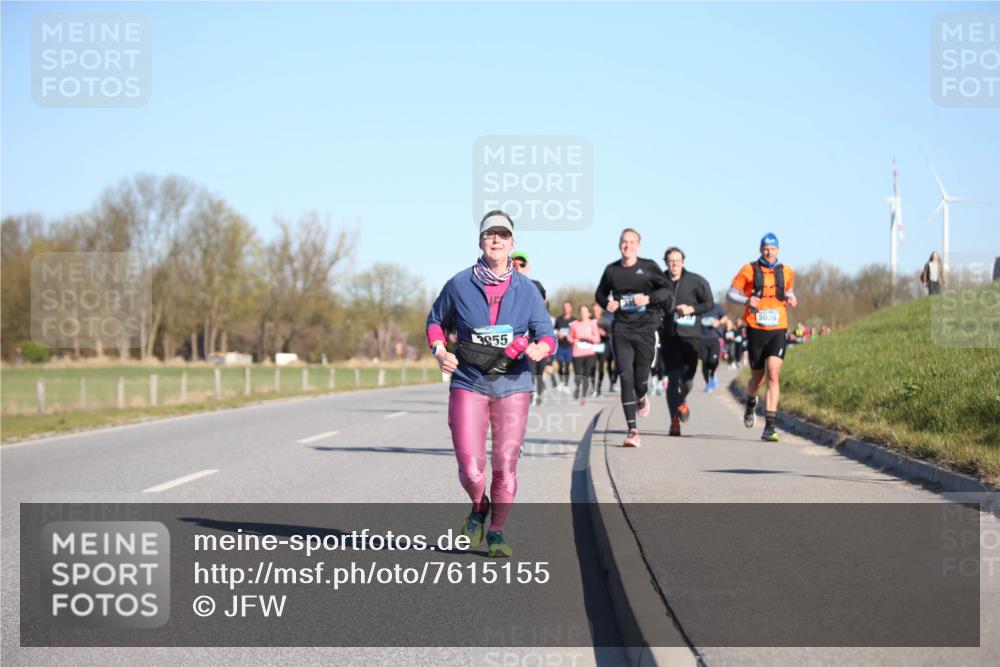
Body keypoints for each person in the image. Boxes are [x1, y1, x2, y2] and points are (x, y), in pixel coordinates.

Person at [426, 210, 556, 558]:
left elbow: (547, 334)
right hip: (469, 381)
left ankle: (496, 531)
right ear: (480, 241)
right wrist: (439, 351)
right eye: (489, 234)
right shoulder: (458, 284)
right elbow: (436, 321)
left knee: (505, 464)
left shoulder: (527, 290)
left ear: (512, 243)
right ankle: (479, 506)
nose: (496, 240)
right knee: (470, 467)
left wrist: (541, 347)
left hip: (513, 384)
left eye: (502, 234)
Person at [595, 228, 671, 447]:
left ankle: (641, 397)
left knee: (640, 379)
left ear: (639, 245)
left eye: (631, 242)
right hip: (622, 329)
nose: (627, 245)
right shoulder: (612, 270)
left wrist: (648, 299)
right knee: (625, 377)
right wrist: (605, 303)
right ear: (619, 244)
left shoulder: (649, 267)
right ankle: (633, 430)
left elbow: (666, 291)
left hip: (646, 328)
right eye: (624, 242)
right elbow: (600, 293)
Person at [727, 232, 797, 442]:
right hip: (756, 327)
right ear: (760, 250)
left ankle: (770, 426)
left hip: (778, 327)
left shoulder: (787, 271)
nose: (769, 252)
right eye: (766, 248)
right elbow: (730, 294)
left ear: (778, 250)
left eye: (773, 249)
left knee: (774, 374)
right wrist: (748, 300)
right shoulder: (749, 269)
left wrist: (792, 298)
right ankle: (751, 400)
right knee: (758, 379)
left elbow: (791, 292)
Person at [659, 247, 715, 436]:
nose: (674, 264)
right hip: (669, 338)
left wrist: (691, 309)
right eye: (670, 261)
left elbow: (709, 303)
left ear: (683, 261)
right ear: (666, 262)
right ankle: (674, 422)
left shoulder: (696, 281)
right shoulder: (659, 281)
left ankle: (682, 399)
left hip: (691, 338)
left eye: (677, 260)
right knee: (673, 379)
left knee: (688, 380)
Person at [512, 251, 549, 405]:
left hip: (535, 336)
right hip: (517, 337)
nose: (518, 267)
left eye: (521, 264)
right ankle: (528, 394)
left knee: (539, 369)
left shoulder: (536, 285)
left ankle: (538, 392)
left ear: (527, 267)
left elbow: (544, 307)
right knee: (527, 369)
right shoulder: (505, 286)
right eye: (514, 263)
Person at [568, 304, 600, 404]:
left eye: (585, 311)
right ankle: (577, 387)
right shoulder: (574, 324)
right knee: (578, 374)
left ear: (589, 313)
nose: (583, 313)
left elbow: (598, 339)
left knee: (586, 374)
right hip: (577, 353)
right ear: (579, 313)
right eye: (581, 311)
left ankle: (584, 396)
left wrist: (591, 338)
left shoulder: (592, 324)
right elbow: (569, 337)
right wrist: (574, 341)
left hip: (589, 352)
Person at [700, 302, 730, 392]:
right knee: (705, 361)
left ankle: (712, 374)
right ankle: (707, 383)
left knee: (713, 361)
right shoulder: (699, 307)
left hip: (714, 338)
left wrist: (719, 322)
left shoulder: (716, 306)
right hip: (702, 338)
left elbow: (725, 317)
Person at [553, 301, 575, 392]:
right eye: (564, 307)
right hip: (561, 346)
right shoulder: (559, 319)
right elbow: (554, 330)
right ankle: (561, 382)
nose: (565, 308)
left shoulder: (574, 320)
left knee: (567, 365)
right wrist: (558, 333)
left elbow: (576, 332)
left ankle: (566, 384)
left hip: (570, 346)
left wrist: (571, 335)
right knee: (560, 364)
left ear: (571, 308)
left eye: (567, 307)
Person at [591, 303, 613, 396]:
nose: (595, 312)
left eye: (597, 310)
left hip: (603, 346)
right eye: (594, 310)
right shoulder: (590, 321)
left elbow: (611, 334)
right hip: (592, 346)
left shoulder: (605, 321)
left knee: (601, 367)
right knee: (592, 367)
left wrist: (604, 334)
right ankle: (593, 388)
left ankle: (599, 388)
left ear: (600, 311)